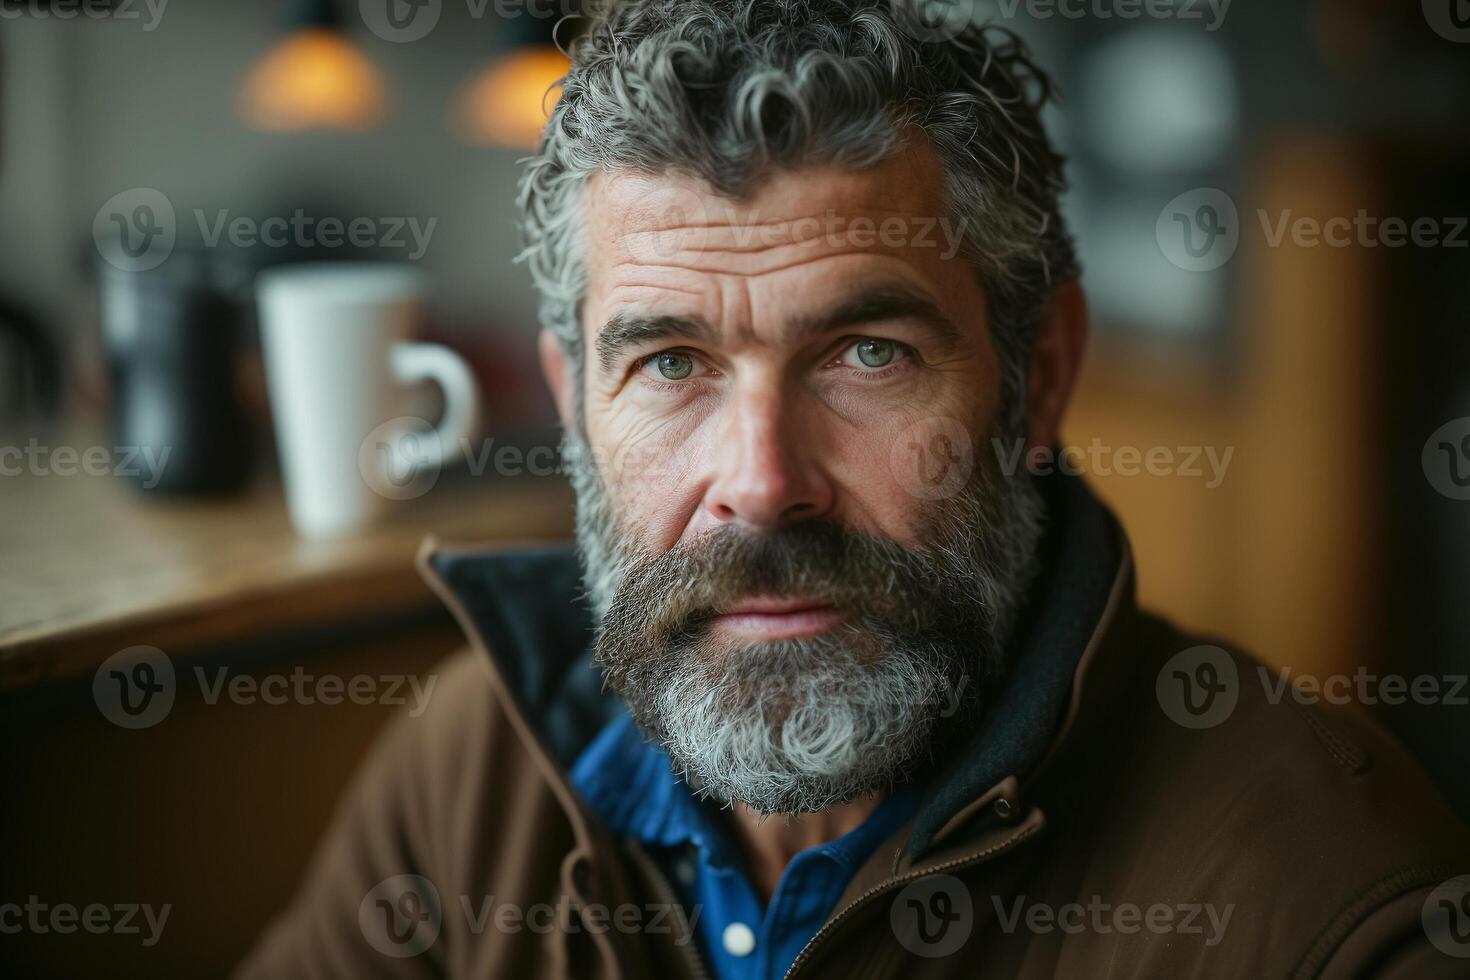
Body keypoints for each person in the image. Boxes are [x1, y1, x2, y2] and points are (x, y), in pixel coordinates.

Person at [237, 2, 1470, 976]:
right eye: (672, 363)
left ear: (1037, 380)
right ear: (572, 402)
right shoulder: (473, 771)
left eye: (867, 354)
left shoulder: (1325, 900)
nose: (763, 485)